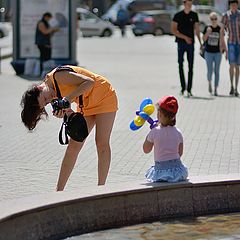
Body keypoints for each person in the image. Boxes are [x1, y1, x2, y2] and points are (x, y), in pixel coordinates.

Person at [20, 65, 118, 191]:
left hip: (104, 95)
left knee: (101, 143)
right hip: (86, 104)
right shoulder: (51, 92)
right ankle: (59, 191)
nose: (49, 100)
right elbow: (70, 108)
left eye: (45, 98)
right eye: (46, 103)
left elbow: (89, 82)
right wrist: (66, 113)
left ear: (39, 87)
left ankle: (101, 189)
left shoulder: (59, 76)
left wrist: (68, 99)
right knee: (73, 147)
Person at [143, 96, 188, 183]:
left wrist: (149, 134)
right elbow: (180, 153)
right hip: (177, 171)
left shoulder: (154, 132)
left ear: (159, 114)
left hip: (161, 172)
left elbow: (146, 150)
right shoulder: (178, 133)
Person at [171, 0, 202, 97]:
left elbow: (197, 30)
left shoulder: (194, 15)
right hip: (181, 43)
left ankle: (189, 89)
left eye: (191, 3)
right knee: (180, 65)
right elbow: (173, 30)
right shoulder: (177, 15)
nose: (190, 5)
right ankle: (182, 87)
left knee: (191, 66)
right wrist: (184, 37)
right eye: (188, 3)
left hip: (191, 44)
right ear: (184, 4)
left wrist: (200, 43)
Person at [202, 12, 227, 96]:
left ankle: (216, 88)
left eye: (215, 19)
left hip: (217, 53)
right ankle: (209, 82)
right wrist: (207, 33)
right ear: (210, 20)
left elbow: (222, 40)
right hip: (208, 52)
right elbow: (204, 39)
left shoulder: (220, 28)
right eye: (212, 19)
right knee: (210, 70)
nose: (213, 21)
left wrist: (225, 51)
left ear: (217, 19)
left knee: (217, 71)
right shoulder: (207, 28)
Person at [221, 0, 240, 96]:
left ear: (237, 5)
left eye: (235, 4)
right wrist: (223, 46)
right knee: (231, 65)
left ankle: (236, 88)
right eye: (232, 5)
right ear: (230, 5)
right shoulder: (226, 15)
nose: (234, 6)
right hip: (231, 43)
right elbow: (222, 31)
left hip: (239, 43)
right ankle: (231, 86)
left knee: (238, 66)